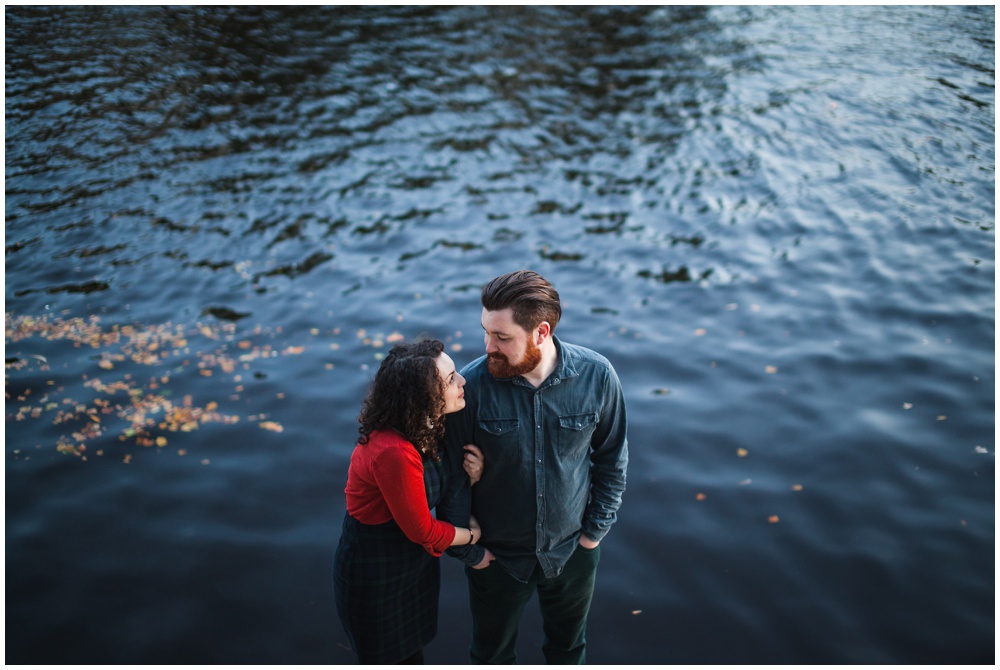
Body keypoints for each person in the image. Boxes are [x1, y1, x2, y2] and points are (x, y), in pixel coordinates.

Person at [439, 270, 629, 664]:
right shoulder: (468, 389)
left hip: (572, 553)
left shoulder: (597, 377)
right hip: (498, 559)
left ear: (541, 332)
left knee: (567, 650)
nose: (488, 346)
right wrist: (473, 556)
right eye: (486, 332)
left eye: (502, 338)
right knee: (490, 654)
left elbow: (612, 458)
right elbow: (453, 477)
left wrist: (593, 534)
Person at [333, 339, 484, 665]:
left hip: (411, 563)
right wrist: (472, 537)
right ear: (422, 399)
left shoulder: (424, 424)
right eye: (451, 379)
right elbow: (424, 533)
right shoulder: (393, 451)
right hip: (377, 567)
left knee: (411, 650)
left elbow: (432, 484)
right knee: (390, 658)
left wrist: (472, 474)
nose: (463, 382)